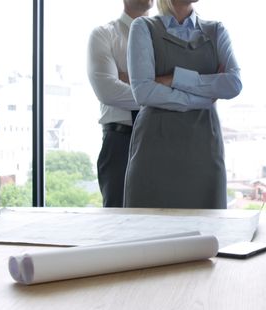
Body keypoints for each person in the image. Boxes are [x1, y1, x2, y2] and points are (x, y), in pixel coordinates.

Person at [125, 0, 242, 208]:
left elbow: (232, 84)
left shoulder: (216, 30)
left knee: (207, 227)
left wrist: (175, 78)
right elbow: (144, 92)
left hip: (204, 145)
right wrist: (205, 96)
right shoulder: (144, 27)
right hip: (155, 144)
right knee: (150, 228)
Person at [87, 0, 154, 207]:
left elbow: (182, 85)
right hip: (121, 142)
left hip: (162, 138)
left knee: (165, 222)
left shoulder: (164, 37)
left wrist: (132, 81)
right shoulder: (104, 34)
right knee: (118, 219)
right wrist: (160, 91)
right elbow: (107, 91)